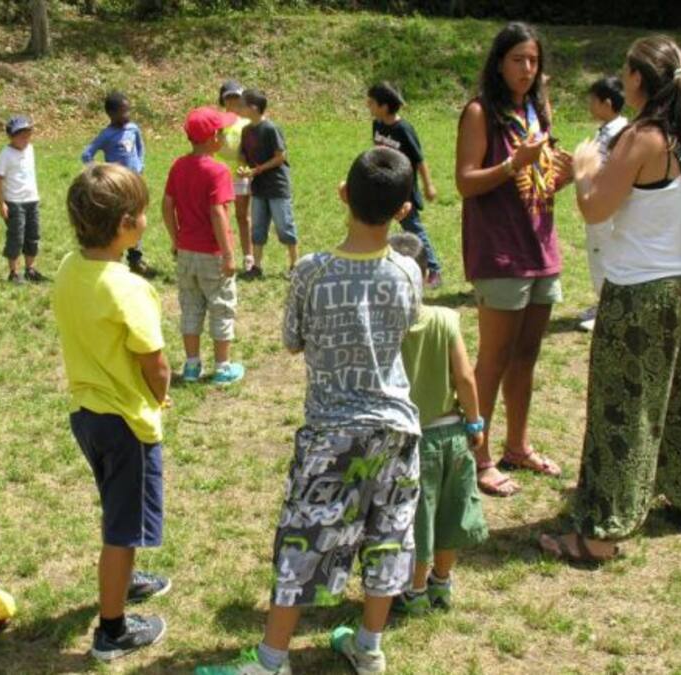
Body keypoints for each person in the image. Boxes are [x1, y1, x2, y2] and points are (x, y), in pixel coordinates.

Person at [197, 147, 423, 675]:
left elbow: (293, 342)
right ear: (402, 210)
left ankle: (272, 660)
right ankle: (369, 648)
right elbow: (406, 328)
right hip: (397, 430)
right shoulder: (408, 273)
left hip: (331, 432)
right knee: (389, 537)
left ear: (343, 194)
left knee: (302, 540)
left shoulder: (310, 272)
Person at [541, 35, 681, 563]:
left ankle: (601, 533)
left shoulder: (642, 137)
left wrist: (580, 167)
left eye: (626, 72)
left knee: (625, 411)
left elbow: (597, 208)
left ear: (640, 81)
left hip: (643, 292)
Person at [52, 164, 172, 661]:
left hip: (88, 416)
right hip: (127, 422)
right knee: (121, 528)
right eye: (142, 212)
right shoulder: (129, 288)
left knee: (117, 505)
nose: (146, 219)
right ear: (126, 223)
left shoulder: (66, 268)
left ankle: (125, 578)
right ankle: (112, 631)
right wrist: (160, 395)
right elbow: (156, 364)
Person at [454, 22, 573, 498]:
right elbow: (465, 181)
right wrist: (511, 166)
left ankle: (517, 446)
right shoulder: (481, 112)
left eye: (534, 61)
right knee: (494, 357)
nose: (527, 69)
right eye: (518, 60)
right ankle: (476, 456)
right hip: (500, 251)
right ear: (499, 63)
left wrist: (560, 177)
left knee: (527, 355)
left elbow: (540, 177)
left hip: (541, 247)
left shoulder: (537, 109)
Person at [389, 231, 488, 615]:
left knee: (419, 520)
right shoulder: (447, 319)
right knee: (451, 514)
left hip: (413, 439)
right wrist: (475, 424)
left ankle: (414, 592)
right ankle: (442, 585)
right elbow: (465, 378)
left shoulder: (387, 327)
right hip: (453, 434)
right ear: (427, 275)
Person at [162, 107, 246, 385]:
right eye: (221, 133)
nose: (224, 137)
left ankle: (191, 366)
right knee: (221, 305)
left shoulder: (178, 166)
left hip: (186, 252)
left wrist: (176, 240)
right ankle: (222, 367)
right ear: (212, 138)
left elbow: (167, 205)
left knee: (191, 306)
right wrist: (229, 254)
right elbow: (218, 213)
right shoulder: (218, 170)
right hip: (212, 253)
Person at [368, 82, 442, 287]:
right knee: (377, 225)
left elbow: (419, 159)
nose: (368, 106)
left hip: (403, 189)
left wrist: (428, 185)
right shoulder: (377, 124)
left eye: (371, 103)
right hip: (383, 186)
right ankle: (376, 264)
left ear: (384, 106)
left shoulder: (404, 129)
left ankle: (434, 269)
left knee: (413, 228)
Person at [81, 91, 155, 278]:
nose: (127, 115)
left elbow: (140, 147)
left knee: (136, 218)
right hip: (118, 186)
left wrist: (140, 164)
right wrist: (101, 171)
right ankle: (116, 256)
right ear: (111, 114)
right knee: (119, 220)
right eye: (123, 112)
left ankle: (136, 258)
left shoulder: (133, 129)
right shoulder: (107, 135)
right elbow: (87, 154)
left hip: (135, 182)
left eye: (128, 111)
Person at [579, 76, 628, 331]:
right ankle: (603, 304)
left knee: (604, 254)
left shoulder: (619, 134)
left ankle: (608, 310)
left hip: (607, 208)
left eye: (593, 100)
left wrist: (584, 168)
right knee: (597, 253)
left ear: (606, 103)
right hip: (601, 203)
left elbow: (611, 171)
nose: (590, 104)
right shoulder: (609, 130)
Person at [238, 88, 299, 279]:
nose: (239, 108)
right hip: (259, 187)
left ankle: (295, 266)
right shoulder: (246, 130)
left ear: (254, 108)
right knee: (258, 227)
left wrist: (257, 170)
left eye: (242, 104)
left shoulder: (271, 129)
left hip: (277, 186)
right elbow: (243, 156)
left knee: (284, 226)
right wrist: (243, 169)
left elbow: (280, 157)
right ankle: (256, 267)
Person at [0, 115, 45, 283]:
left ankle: (30, 269)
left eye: (27, 134)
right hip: (14, 202)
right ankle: (13, 272)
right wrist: (1, 203)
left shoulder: (30, 149)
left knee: (33, 235)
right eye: (20, 135)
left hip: (32, 199)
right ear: (11, 136)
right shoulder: (5, 154)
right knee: (16, 237)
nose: (25, 139)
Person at [216, 80, 255, 272]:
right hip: (219, 175)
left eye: (237, 98)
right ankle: (223, 254)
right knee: (221, 215)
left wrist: (248, 163)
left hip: (241, 175)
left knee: (242, 216)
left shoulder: (247, 123)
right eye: (229, 98)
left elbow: (253, 150)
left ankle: (248, 256)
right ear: (223, 101)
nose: (233, 102)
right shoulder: (217, 121)